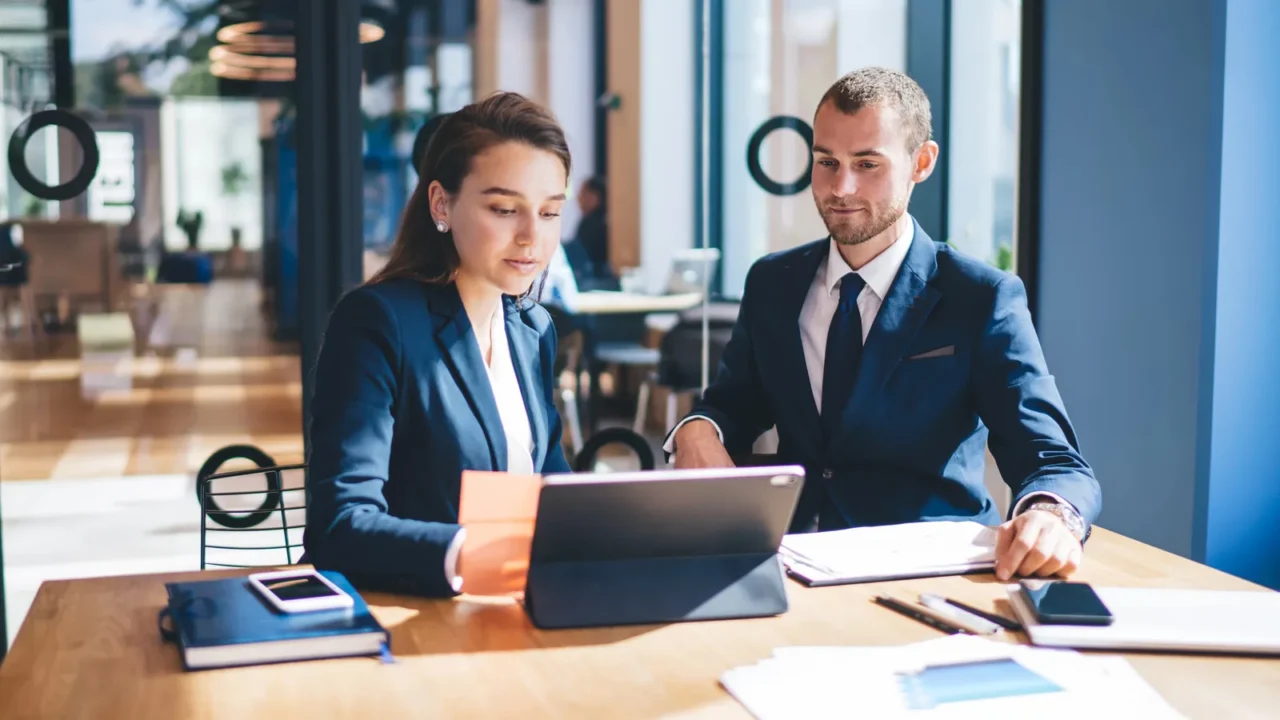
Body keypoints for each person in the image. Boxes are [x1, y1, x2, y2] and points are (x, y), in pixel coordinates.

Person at [667, 68, 1100, 583]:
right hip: (790, 567)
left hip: (928, 578)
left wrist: (1052, 516)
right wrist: (696, 428)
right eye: (827, 162)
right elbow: (734, 405)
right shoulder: (772, 283)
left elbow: (1053, 459)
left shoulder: (981, 299)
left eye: (867, 164)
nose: (840, 187)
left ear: (921, 163)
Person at [304, 92, 573, 597]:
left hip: (512, 611)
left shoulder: (532, 329)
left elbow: (551, 486)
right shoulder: (379, 322)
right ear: (441, 204)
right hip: (413, 617)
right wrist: (474, 555)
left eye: (550, 213)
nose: (531, 237)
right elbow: (339, 524)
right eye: (504, 208)